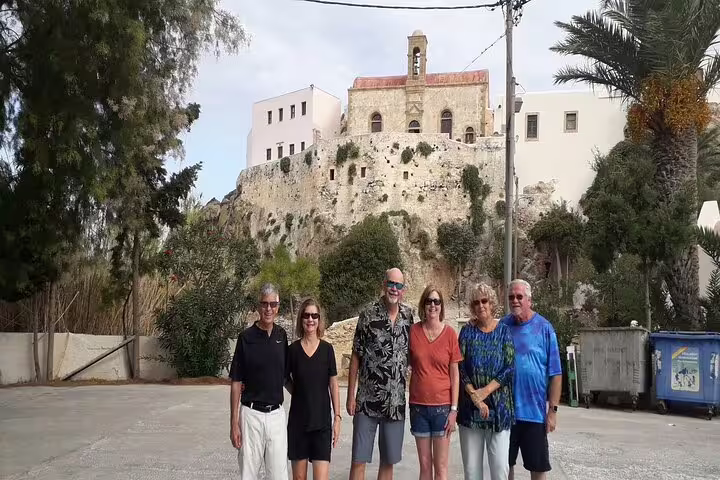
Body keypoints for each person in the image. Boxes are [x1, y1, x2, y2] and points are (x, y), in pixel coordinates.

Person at [347, 267, 416, 480]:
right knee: (359, 458)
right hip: (367, 402)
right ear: (383, 285)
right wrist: (350, 395)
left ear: (403, 289)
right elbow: (356, 355)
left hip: (395, 403)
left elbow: (414, 355)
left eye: (399, 285)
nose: (394, 289)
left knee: (388, 461)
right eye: (391, 283)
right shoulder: (368, 314)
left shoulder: (408, 316)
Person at [501, 279, 562, 480]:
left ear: (529, 300)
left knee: (538, 468)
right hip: (506, 412)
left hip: (534, 414)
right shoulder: (502, 326)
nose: (515, 301)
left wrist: (552, 412)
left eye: (519, 297)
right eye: (511, 297)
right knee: (504, 466)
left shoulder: (545, 328)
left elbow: (555, 374)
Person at [229, 283, 289, 479]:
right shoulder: (245, 338)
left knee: (279, 475)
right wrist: (234, 423)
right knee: (249, 474)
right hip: (251, 415)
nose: (268, 309)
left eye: (273, 304)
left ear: (278, 306)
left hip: (276, 417)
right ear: (258, 306)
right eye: (264, 304)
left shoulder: (282, 336)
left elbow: (285, 377)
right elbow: (236, 382)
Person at [457, 283, 515, 480]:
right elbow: (460, 367)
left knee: (500, 470)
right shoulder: (466, 332)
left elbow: (509, 368)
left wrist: (486, 391)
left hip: (499, 409)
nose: (481, 305)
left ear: (492, 304)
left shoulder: (504, 331)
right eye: (476, 302)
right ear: (472, 307)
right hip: (470, 411)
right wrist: (476, 396)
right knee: (472, 472)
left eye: (485, 301)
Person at [408, 285, 462, 480]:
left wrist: (454, 410)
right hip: (418, 408)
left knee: (440, 469)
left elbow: (455, 375)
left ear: (441, 306)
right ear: (423, 304)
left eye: (436, 301)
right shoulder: (413, 332)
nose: (433, 305)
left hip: (442, 408)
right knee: (424, 467)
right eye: (429, 301)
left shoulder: (449, 335)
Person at [286, 298, 342, 480]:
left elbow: (333, 384)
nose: (310, 320)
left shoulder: (327, 350)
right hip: (298, 425)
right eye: (306, 315)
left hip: (322, 425)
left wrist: (338, 418)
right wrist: (299, 391)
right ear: (301, 319)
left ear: (319, 319)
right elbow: (284, 378)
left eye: (314, 316)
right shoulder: (292, 351)